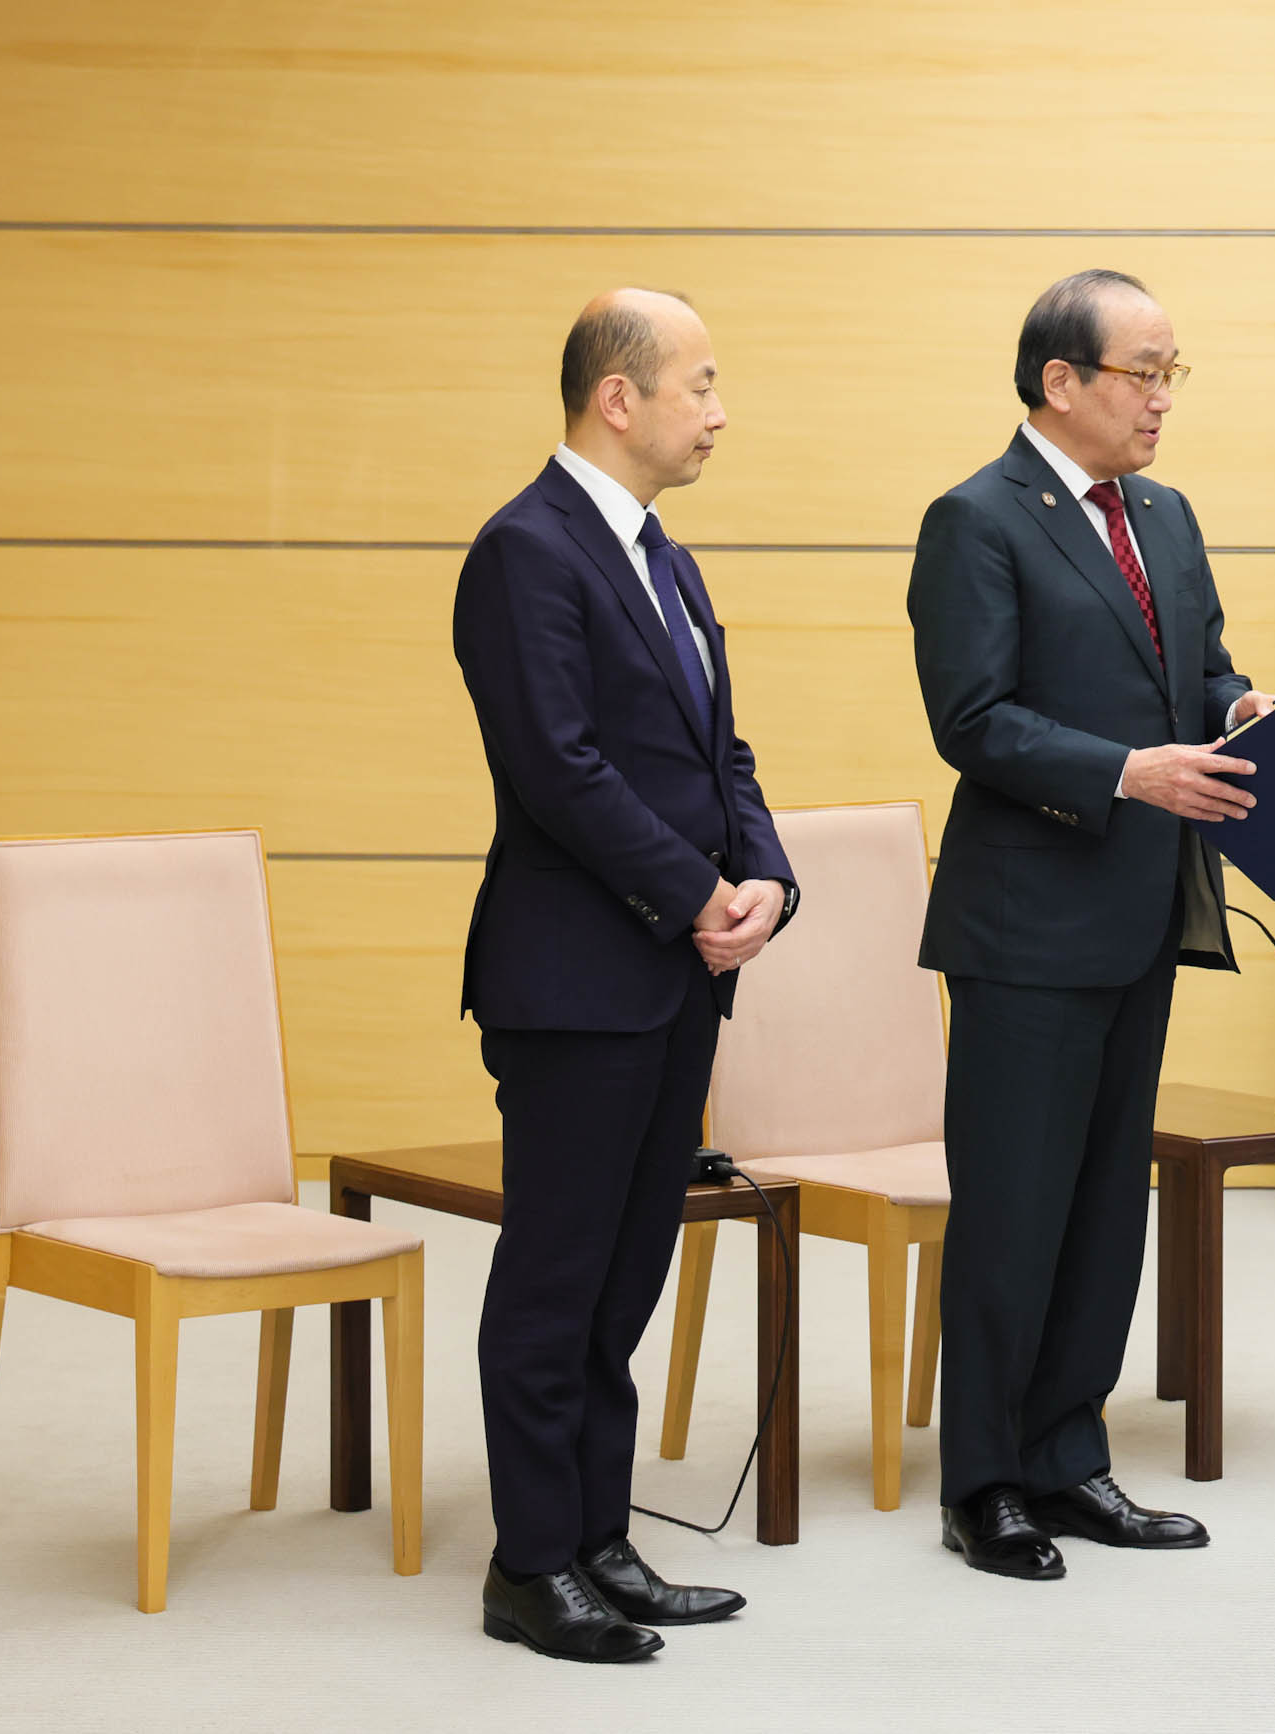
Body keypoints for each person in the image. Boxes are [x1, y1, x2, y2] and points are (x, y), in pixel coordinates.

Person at [908, 268, 1275, 1580]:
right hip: (1023, 927)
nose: (1163, 397)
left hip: (1139, 913)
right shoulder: (976, 520)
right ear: (1061, 381)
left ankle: (1071, 1458)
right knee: (1013, 1210)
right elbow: (975, 718)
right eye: (1144, 372)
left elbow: (1204, 663)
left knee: (1106, 1205)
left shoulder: (1166, 518)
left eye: (1176, 371)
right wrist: (1128, 771)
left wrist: (1238, 712)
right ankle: (986, 1481)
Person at [452, 288, 796, 1660]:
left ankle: (601, 1536)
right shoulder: (524, 551)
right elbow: (557, 766)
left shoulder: (667, 558)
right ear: (618, 396)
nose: (717, 411)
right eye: (700, 384)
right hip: (575, 980)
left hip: (672, 977)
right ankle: (531, 1565)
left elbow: (725, 754)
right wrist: (691, 890)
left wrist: (765, 875)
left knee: (623, 1278)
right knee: (555, 1275)